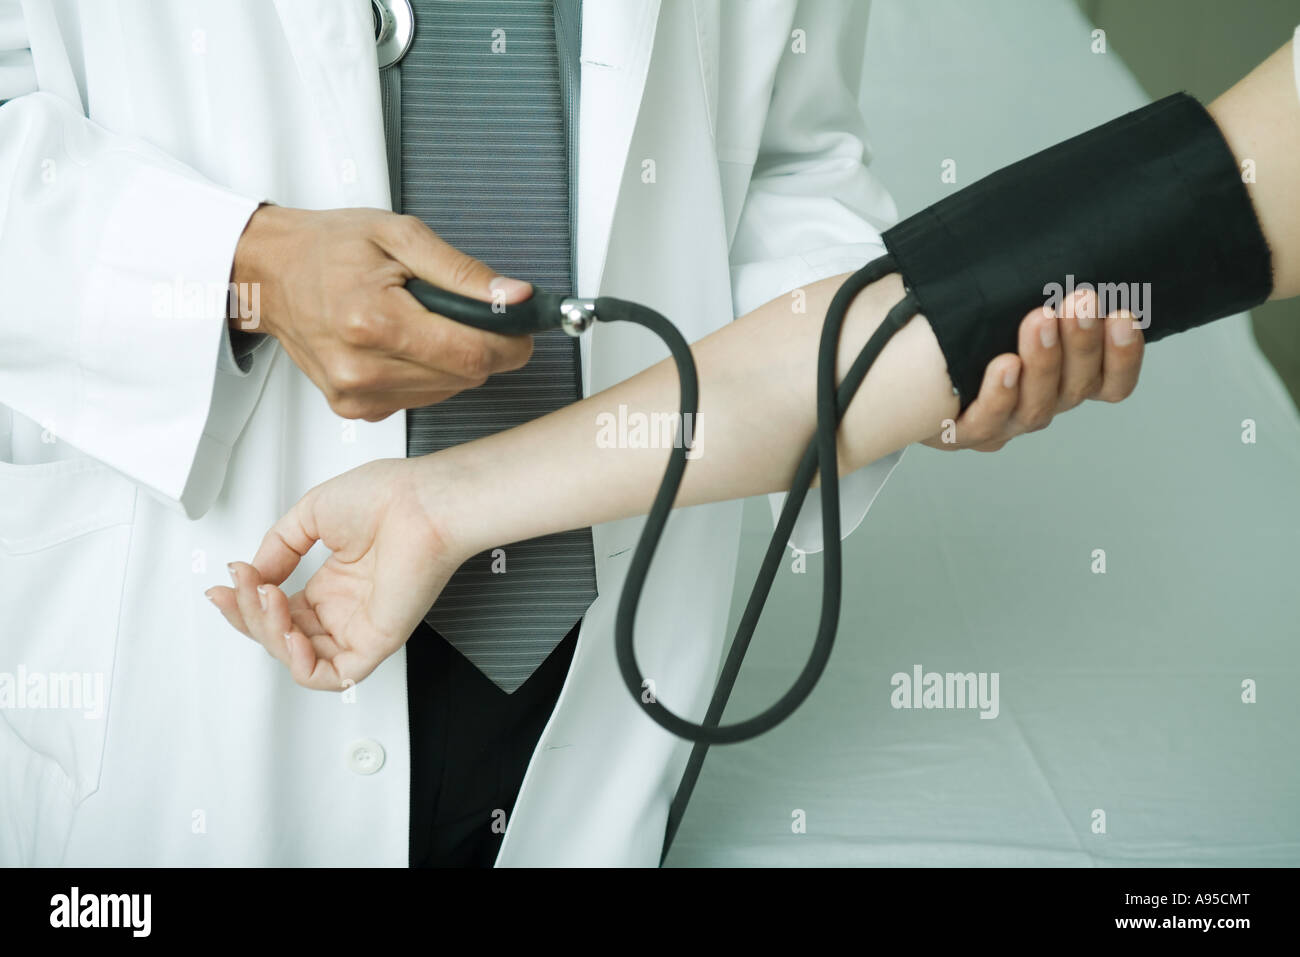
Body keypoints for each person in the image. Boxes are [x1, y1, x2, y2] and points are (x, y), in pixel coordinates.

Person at [1, 1, 1139, 867]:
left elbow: (789, 161)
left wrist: (895, 370)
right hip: (204, 625)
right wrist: (244, 266)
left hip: (598, 638)